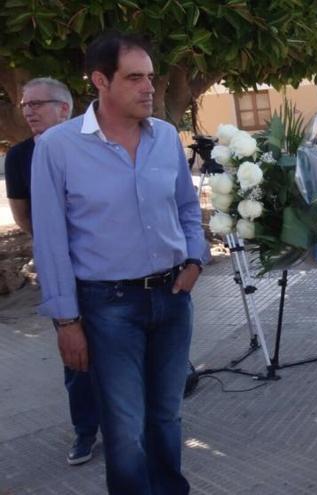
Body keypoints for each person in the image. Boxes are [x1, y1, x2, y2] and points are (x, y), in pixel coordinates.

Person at [30, 32, 206, 494]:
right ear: (100, 81)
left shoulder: (166, 136)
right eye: (134, 78)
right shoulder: (58, 147)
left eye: (150, 76)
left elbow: (187, 207)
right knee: (125, 428)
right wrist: (66, 321)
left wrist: (195, 261)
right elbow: (50, 240)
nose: (148, 87)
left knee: (167, 415)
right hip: (107, 306)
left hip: (173, 297)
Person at [4, 77, 101, 466]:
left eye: (37, 104)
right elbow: (25, 217)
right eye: (25, 105)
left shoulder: (95, 144)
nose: (28, 111)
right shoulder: (20, 156)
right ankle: (85, 431)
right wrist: (58, 247)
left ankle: (128, 425)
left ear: (65, 108)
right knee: (77, 356)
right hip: (64, 274)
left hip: (111, 271)